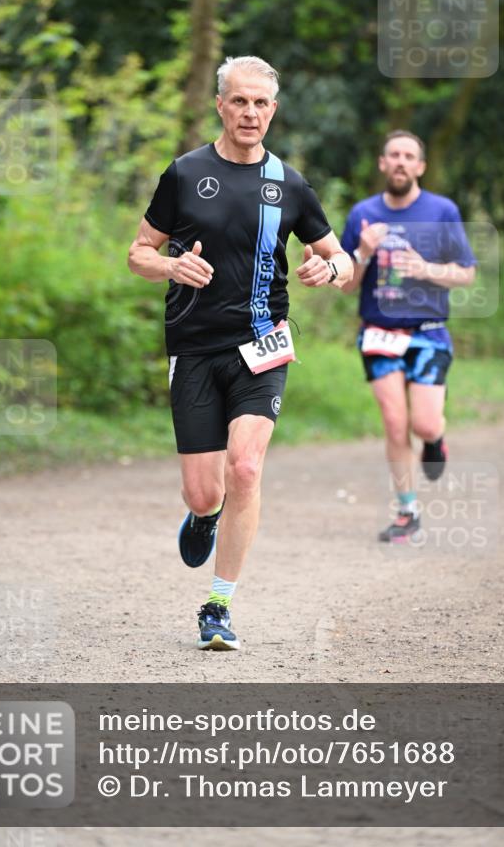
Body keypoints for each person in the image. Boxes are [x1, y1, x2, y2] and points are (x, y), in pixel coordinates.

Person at [128, 55, 352, 649]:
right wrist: (171, 265)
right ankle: (205, 515)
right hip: (195, 347)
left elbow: (342, 258)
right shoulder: (184, 173)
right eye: (239, 101)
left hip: (263, 343)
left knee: (246, 468)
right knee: (205, 491)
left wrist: (328, 270)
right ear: (220, 105)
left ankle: (218, 604)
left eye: (261, 103)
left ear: (273, 111)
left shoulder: (289, 184)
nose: (250, 112)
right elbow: (139, 252)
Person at [339, 131, 476, 543]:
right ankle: (407, 511)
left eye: (408, 156)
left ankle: (435, 441)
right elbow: (346, 284)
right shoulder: (362, 214)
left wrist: (425, 270)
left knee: (425, 425)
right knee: (395, 423)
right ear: (382, 163)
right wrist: (362, 253)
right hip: (378, 333)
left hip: (429, 333)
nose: (400, 161)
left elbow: (466, 273)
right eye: (394, 155)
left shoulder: (442, 211)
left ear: (420, 166)